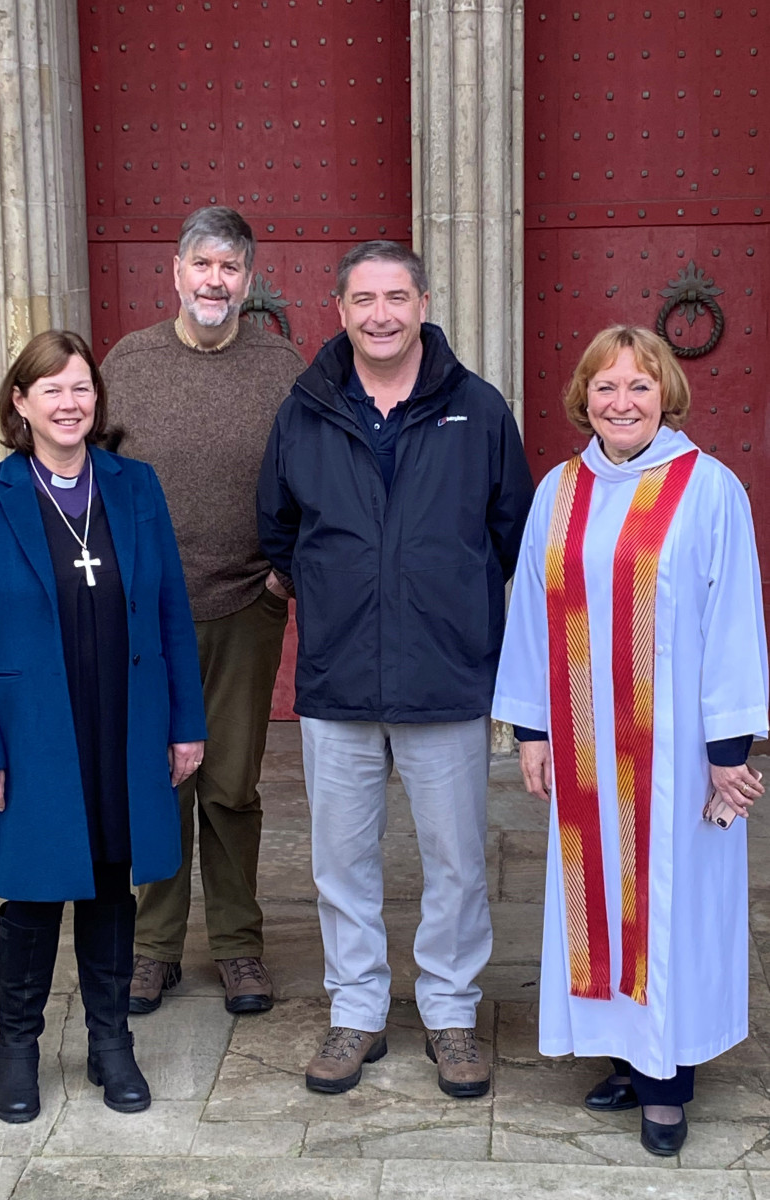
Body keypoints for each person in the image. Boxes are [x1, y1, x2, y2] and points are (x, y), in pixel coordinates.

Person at [257, 241, 534, 1096]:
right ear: (339, 308)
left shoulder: (477, 409)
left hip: (444, 678)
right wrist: (348, 593)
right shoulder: (304, 410)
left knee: (455, 860)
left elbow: (509, 529)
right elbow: (278, 530)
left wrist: (442, 600)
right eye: (364, 298)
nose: (381, 313)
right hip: (340, 679)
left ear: (423, 303)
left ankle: (451, 1015)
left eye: (397, 296)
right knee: (342, 861)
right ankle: (358, 1013)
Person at [493, 325, 768, 1156]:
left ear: (667, 397)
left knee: (667, 902)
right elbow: (533, 616)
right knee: (598, 899)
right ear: (584, 399)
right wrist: (532, 730)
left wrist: (730, 751)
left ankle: (668, 1080)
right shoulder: (561, 490)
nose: (621, 402)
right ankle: (623, 1053)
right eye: (605, 388)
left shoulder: (707, 489)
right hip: (583, 744)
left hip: (676, 750)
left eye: (639, 388)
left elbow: (731, 622)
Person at [0, 330, 206, 1123]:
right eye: (50, 389)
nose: (69, 403)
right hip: (32, 736)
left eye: (81, 388)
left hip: (122, 722)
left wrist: (184, 723)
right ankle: (16, 1049)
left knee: (111, 888)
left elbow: (170, 615)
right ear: (19, 404)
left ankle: (110, 1043)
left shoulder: (134, 487)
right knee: (31, 894)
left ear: (98, 401)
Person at [101, 206, 303, 1016]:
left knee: (229, 784)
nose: (214, 281)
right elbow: (93, 474)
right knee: (156, 781)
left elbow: (314, 480)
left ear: (247, 282)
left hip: (243, 606)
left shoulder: (284, 368)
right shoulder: (129, 363)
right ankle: (153, 949)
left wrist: (284, 578)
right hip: (144, 616)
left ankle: (238, 945)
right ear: (176, 274)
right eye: (201, 266)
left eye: (230, 268)